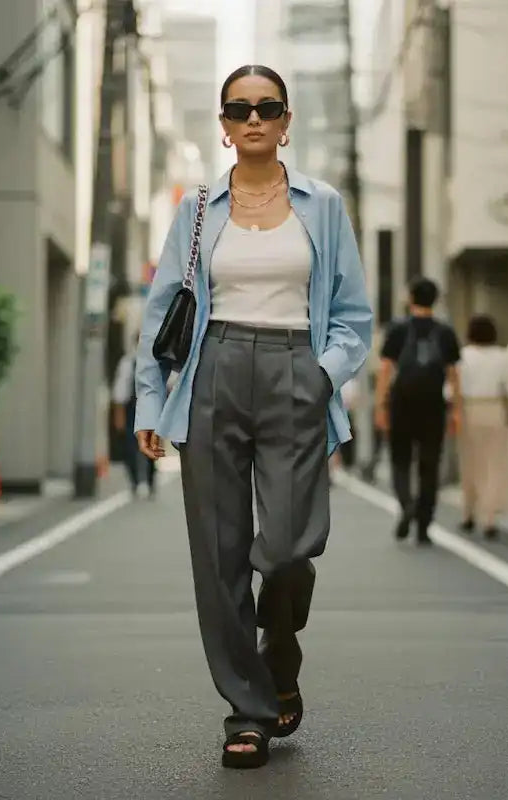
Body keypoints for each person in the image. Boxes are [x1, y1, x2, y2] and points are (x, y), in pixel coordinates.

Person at [134, 64, 372, 769]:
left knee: (291, 548)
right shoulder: (198, 209)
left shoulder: (322, 205)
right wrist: (154, 399)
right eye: (240, 109)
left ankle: (281, 650)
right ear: (225, 124)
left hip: (297, 371)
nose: (255, 118)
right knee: (220, 554)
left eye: (268, 107)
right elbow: (161, 317)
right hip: (213, 373)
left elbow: (354, 316)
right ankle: (249, 709)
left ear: (288, 120)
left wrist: (321, 375)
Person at [374, 277, 461, 545]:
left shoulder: (397, 329)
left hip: (402, 403)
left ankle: (407, 505)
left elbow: (386, 369)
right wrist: (456, 410)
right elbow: (453, 374)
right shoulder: (445, 332)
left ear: (411, 298)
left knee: (400, 461)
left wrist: (381, 406)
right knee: (429, 465)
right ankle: (423, 526)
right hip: (433, 404)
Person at [457, 314, 508, 539]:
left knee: (470, 463)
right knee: (495, 464)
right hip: (495, 408)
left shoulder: (463, 356)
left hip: (468, 409)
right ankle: (490, 518)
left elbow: (451, 389)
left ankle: (468, 513)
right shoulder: (503, 357)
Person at [112, 340, 156, 498]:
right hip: (132, 408)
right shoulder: (128, 362)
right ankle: (136, 481)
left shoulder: (156, 361)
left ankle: (149, 481)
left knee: (150, 445)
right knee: (131, 446)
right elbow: (119, 393)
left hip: (151, 408)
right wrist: (119, 416)